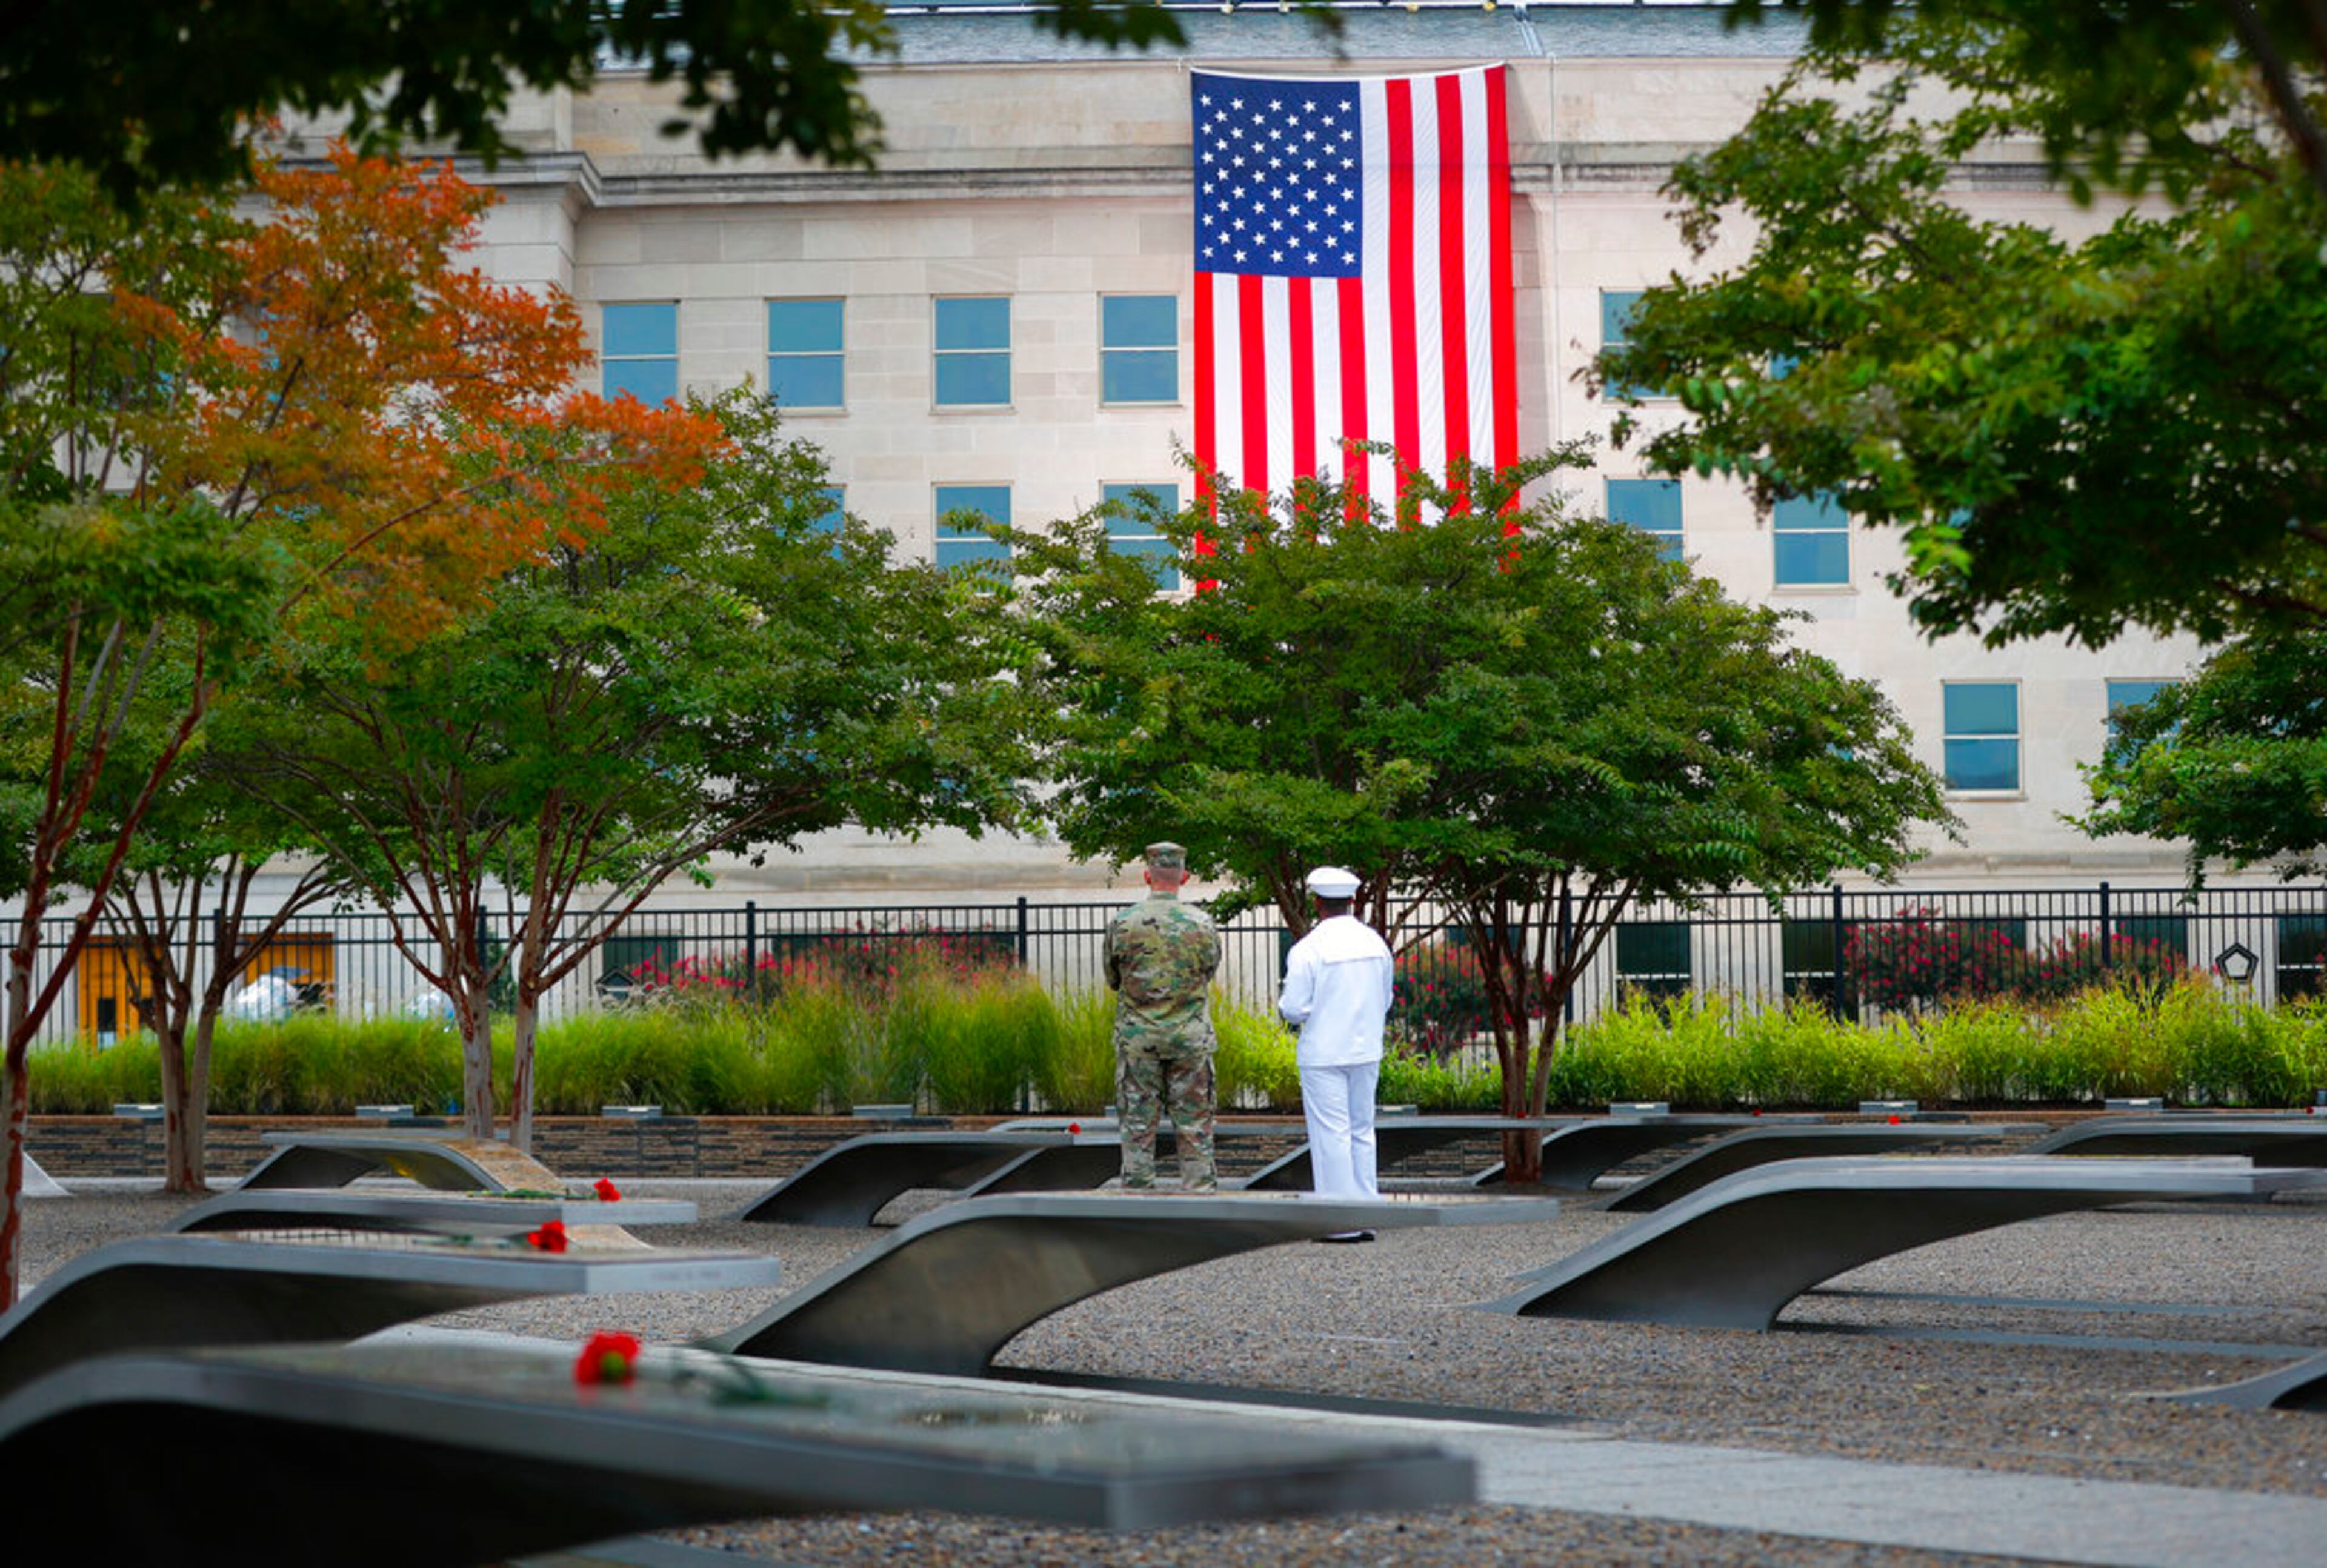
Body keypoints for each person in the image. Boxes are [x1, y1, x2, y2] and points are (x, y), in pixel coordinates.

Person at [1277, 865, 1394, 1241]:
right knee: (1363, 1130)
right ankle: (1366, 1211)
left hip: (1324, 1053)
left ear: (1316, 902)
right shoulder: (1375, 944)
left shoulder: (1308, 949)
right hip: (1366, 1049)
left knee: (1332, 1134)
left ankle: (1338, 1221)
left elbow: (1294, 1008)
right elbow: (1387, 997)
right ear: (1353, 899)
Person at [1104, 840, 1223, 1190]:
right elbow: (1209, 971)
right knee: (1196, 1124)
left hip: (1139, 1040)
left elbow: (1113, 979)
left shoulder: (1123, 924)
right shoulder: (1202, 924)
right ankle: (1200, 1195)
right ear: (1184, 877)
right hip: (1190, 1039)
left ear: (1146, 875)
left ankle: (1139, 1201)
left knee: (1138, 1126)